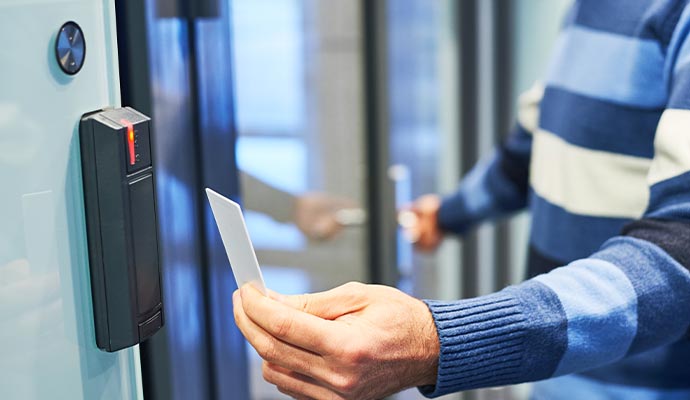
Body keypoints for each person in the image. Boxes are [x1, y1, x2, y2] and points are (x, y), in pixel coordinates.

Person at [233, 1, 690, 399]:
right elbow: (534, 147)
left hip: (644, 386)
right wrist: (448, 216)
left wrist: (440, 341)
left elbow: (679, 254)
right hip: (559, 375)